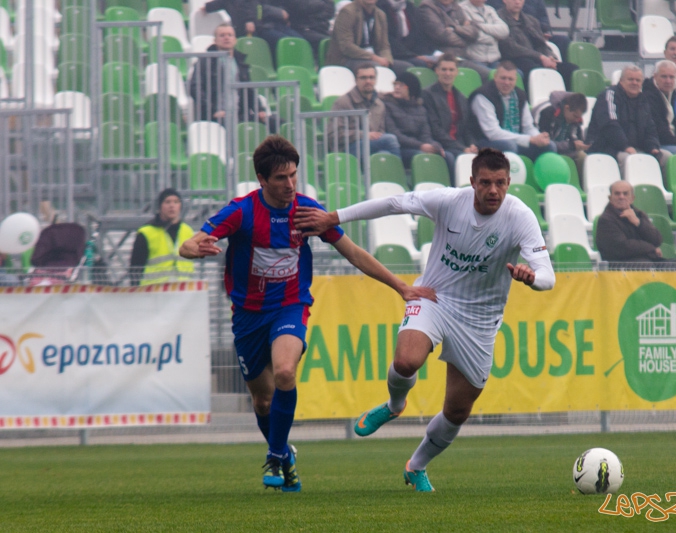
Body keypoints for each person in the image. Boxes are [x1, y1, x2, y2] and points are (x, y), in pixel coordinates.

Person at [178, 135, 435, 492]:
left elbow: (354, 252)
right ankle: (286, 457)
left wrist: (401, 287)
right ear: (262, 179)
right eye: (281, 178)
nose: (289, 185)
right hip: (248, 314)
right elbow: (191, 241)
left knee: (285, 371)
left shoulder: (307, 212)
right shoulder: (242, 211)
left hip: (290, 305)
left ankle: (274, 453)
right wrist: (191, 248)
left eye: (294, 176)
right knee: (262, 398)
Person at [293, 148, 554, 492]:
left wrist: (531, 278)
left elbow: (547, 276)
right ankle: (395, 405)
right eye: (486, 183)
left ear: (509, 183)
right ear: (472, 182)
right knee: (405, 361)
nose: (494, 191)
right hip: (435, 298)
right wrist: (333, 218)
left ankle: (416, 466)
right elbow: (393, 204)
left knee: (457, 411)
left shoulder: (519, 217)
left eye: (501, 183)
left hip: (480, 319)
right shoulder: (448, 201)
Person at [585, 65, 671, 174]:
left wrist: (652, 147)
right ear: (621, 81)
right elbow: (610, 126)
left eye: (637, 80)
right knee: (628, 159)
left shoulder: (643, 100)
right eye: (630, 79)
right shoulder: (609, 95)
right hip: (608, 148)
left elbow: (650, 128)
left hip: (635, 148)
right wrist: (626, 147)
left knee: (666, 157)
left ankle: (657, 190)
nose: (634, 83)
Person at [469, 60, 556, 161]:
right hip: (484, 142)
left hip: (514, 141)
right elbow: (493, 133)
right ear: (495, 77)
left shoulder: (520, 95)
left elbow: (528, 127)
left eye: (510, 79)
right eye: (503, 78)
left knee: (549, 146)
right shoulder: (483, 96)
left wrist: (539, 138)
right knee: (510, 146)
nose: (506, 82)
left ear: (516, 80)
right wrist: (530, 139)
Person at [188, 23, 266, 123]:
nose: (226, 38)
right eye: (222, 35)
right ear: (215, 41)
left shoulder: (240, 62)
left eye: (230, 35)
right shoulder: (205, 62)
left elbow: (249, 90)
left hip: (240, 115)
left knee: (275, 121)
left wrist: (259, 110)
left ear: (235, 40)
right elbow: (195, 88)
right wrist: (212, 111)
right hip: (217, 116)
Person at [595, 181, 676, 268]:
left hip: (646, 259)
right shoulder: (606, 220)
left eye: (625, 194)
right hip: (621, 264)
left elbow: (657, 240)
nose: (621, 197)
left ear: (632, 198)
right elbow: (623, 247)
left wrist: (638, 222)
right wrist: (651, 248)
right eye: (617, 194)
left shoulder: (639, 215)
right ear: (610, 198)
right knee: (645, 265)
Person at [497, 0, 578, 92]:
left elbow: (542, 44)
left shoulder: (532, 21)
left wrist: (550, 57)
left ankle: (567, 101)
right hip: (516, 59)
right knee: (535, 69)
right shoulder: (498, 19)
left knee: (570, 69)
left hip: (537, 59)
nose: (517, 2)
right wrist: (541, 57)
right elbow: (510, 47)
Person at [422, 54, 480, 180]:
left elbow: (467, 128)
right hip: (441, 144)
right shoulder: (428, 95)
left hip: (459, 144)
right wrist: (462, 148)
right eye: (444, 69)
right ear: (437, 71)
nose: (447, 73)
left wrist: (471, 144)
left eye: (451, 70)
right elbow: (435, 129)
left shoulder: (461, 97)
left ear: (456, 72)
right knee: (454, 158)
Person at [329, 63, 402, 158]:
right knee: (390, 139)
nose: (368, 81)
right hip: (348, 148)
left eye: (371, 77)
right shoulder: (343, 102)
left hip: (372, 146)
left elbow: (380, 132)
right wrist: (363, 135)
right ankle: (398, 172)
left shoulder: (379, 104)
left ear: (376, 80)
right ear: (356, 80)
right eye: (363, 78)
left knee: (384, 155)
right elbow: (333, 135)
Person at [130, 188, 195, 286]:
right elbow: (135, 268)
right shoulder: (146, 233)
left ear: (180, 206)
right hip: (154, 293)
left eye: (176, 202)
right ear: (160, 206)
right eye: (167, 202)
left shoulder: (188, 231)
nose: (172, 206)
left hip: (183, 294)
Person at [327, 0, 413, 74]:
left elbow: (384, 46)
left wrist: (388, 61)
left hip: (372, 59)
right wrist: (374, 58)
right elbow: (347, 47)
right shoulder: (347, 12)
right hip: (347, 59)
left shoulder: (380, 14)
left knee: (406, 67)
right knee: (375, 67)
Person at [382, 71, 446, 168]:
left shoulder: (421, 109)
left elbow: (425, 135)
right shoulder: (387, 106)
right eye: (396, 84)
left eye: (402, 85)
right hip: (401, 148)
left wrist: (435, 146)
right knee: (421, 157)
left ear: (411, 89)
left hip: (419, 146)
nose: (397, 87)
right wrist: (420, 146)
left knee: (447, 157)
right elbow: (395, 134)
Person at [416, 0, 491, 80]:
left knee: (492, 73)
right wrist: (464, 38)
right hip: (441, 58)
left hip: (460, 57)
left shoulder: (456, 7)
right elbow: (442, 36)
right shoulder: (427, 7)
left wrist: (454, 28)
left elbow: (474, 33)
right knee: (487, 74)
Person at [201, 0, 303, 54]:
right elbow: (247, 7)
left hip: (274, 23)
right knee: (284, 41)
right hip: (259, 28)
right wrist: (207, 7)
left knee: (300, 41)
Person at [537, 91, 589, 175]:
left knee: (582, 157)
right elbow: (544, 143)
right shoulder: (547, 113)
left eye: (579, 117)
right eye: (575, 116)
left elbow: (576, 138)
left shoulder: (575, 119)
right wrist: (571, 145)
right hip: (543, 149)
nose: (577, 120)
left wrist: (581, 145)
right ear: (566, 108)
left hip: (562, 149)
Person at [376, 0, 430, 68]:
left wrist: (423, 55)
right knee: (418, 64)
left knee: (434, 62)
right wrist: (413, 55)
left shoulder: (409, 7)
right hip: (393, 53)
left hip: (410, 52)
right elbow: (387, 38)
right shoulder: (381, 6)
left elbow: (418, 34)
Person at [460, 0, 509, 70]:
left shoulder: (490, 9)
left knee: (518, 74)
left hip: (494, 60)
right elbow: (473, 35)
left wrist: (480, 25)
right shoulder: (462, 9)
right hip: (474, 59)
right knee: (491, 75)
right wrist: (495, 38)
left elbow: (505, 31)